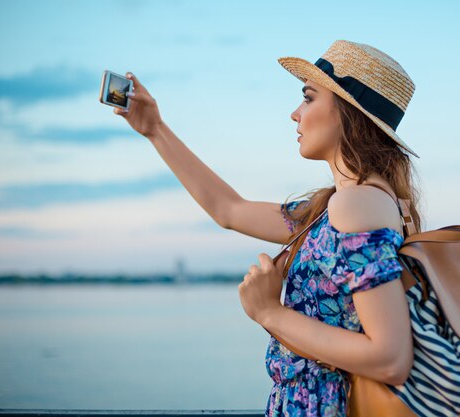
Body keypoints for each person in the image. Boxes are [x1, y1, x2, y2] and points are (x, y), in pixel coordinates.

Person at [113, 39, 422, 417]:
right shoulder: (337, 206)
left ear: (347, 112)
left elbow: (390, 358)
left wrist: (268, 312)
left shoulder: (357, 204)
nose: (295, 114)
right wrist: (155, 129)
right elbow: (230, 209)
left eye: (308, 98)